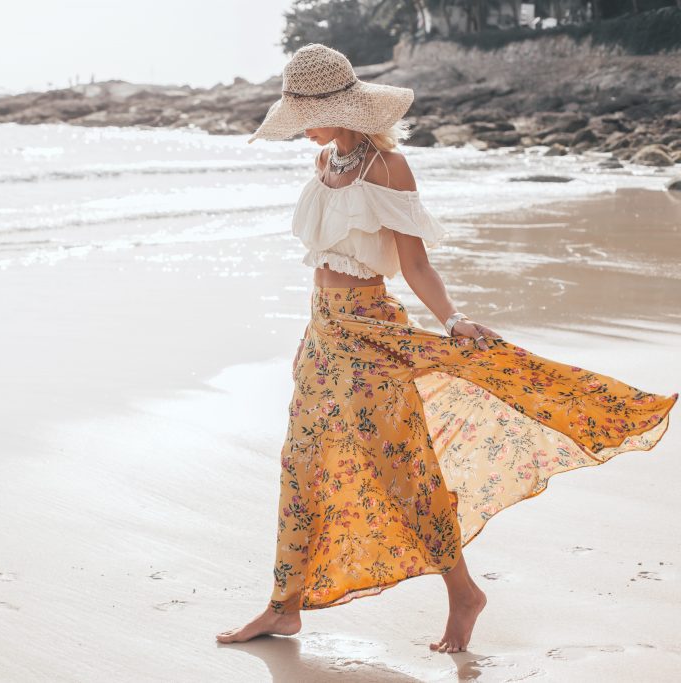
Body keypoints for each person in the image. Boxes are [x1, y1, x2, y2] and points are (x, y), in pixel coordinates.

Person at [215, 44, 677, 652]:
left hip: (372, 335)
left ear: (342, 108)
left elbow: (415, 264)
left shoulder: (388, 169)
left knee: (400, 471)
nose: (302, 129)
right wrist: (313, 339)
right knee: (299, 465)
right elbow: (324, 261)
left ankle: (463, 592)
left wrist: (454, 318)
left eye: (307, 115)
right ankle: (283, 606)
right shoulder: (325, 160)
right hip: (323, 335)